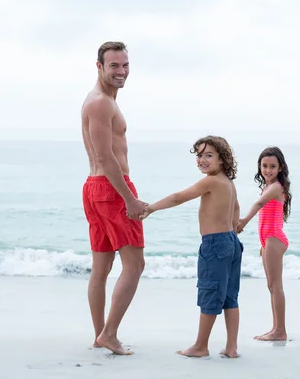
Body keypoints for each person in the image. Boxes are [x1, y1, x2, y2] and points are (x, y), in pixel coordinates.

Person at [139, 135, 243, 358]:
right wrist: (233, 228)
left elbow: (179, 197)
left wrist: (152, 208)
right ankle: (231, 347)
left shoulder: (210, 181)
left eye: (209, 155)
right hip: (231, 242)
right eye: (199, 155)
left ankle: (200, 346)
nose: (202, 160)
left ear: (222, 159)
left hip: (215, 244)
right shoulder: (228, 182)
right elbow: (236, 208)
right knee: (229, 296)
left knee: (210, 292)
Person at [80, 41, 148, 355]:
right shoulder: (100, 103)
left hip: (96, 189)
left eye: (125, 65)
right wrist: (130, 199)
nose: (121, 72)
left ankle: (101, 335)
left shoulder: (104, 101)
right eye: (114, 66)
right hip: (111, 189)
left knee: (102, 266)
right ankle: (109, 334)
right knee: (134, 265)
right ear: (99, 66)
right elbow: (107, 158)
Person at [237, 146, 292, 341]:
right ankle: (276, 328)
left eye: (272, 166)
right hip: (268, 241)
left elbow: (259, 204)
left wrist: (243, 221)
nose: (267, 170)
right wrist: (263, 244)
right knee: (271, 286)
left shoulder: (276, 187)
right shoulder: (267, 187)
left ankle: (280, 331)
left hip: (274, 239)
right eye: (264, 166)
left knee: (276, 286)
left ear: (280, 168)